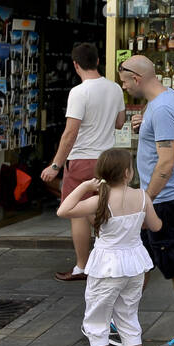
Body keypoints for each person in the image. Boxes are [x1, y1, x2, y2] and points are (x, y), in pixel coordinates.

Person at [119, 55, 174, 346]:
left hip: (164, 199)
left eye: (125, 82)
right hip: (156, 197)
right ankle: (122, 321)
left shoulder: (164, 107)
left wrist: (146, 199)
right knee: (140, 259)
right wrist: (146, 124)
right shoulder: (161, 102)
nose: (124, 87)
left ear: (137, 79)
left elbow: (166, 163)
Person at [57, 148, 163, 346]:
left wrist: (84, 187)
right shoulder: (142, 196)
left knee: (96, 319)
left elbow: (63, 211)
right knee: (128, 315)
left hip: (107, 266)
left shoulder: (100, 200)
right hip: (135, 264)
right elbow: (156, 225)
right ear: (128, 173)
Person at [43, 42, 126, 282]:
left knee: (78, 213)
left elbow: (70, 133)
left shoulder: (79, 92)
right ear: (98, 61)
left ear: (76, 65)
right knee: (104, 207)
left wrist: (55, 166)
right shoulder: (114, 89)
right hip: (108, 158)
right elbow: (119, 123)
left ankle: (82, 266)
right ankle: (114, 254)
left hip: (81, 159)